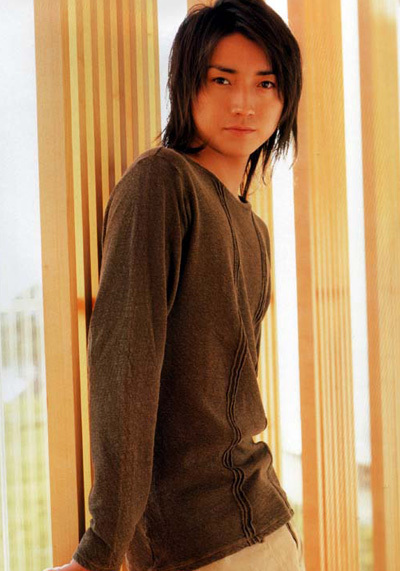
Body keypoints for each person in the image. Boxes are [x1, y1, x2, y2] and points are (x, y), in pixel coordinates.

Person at [43, 1, 303, 570]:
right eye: (222, 79)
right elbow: (126, 365)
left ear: (286, 98)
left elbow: (146, 373)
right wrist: (103, 546)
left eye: (265, 83)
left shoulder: (252, 228)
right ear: (186, 85)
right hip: (223, 540)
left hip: (243, 538)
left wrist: (100, 552)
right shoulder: (163, 182)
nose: (244, 102)